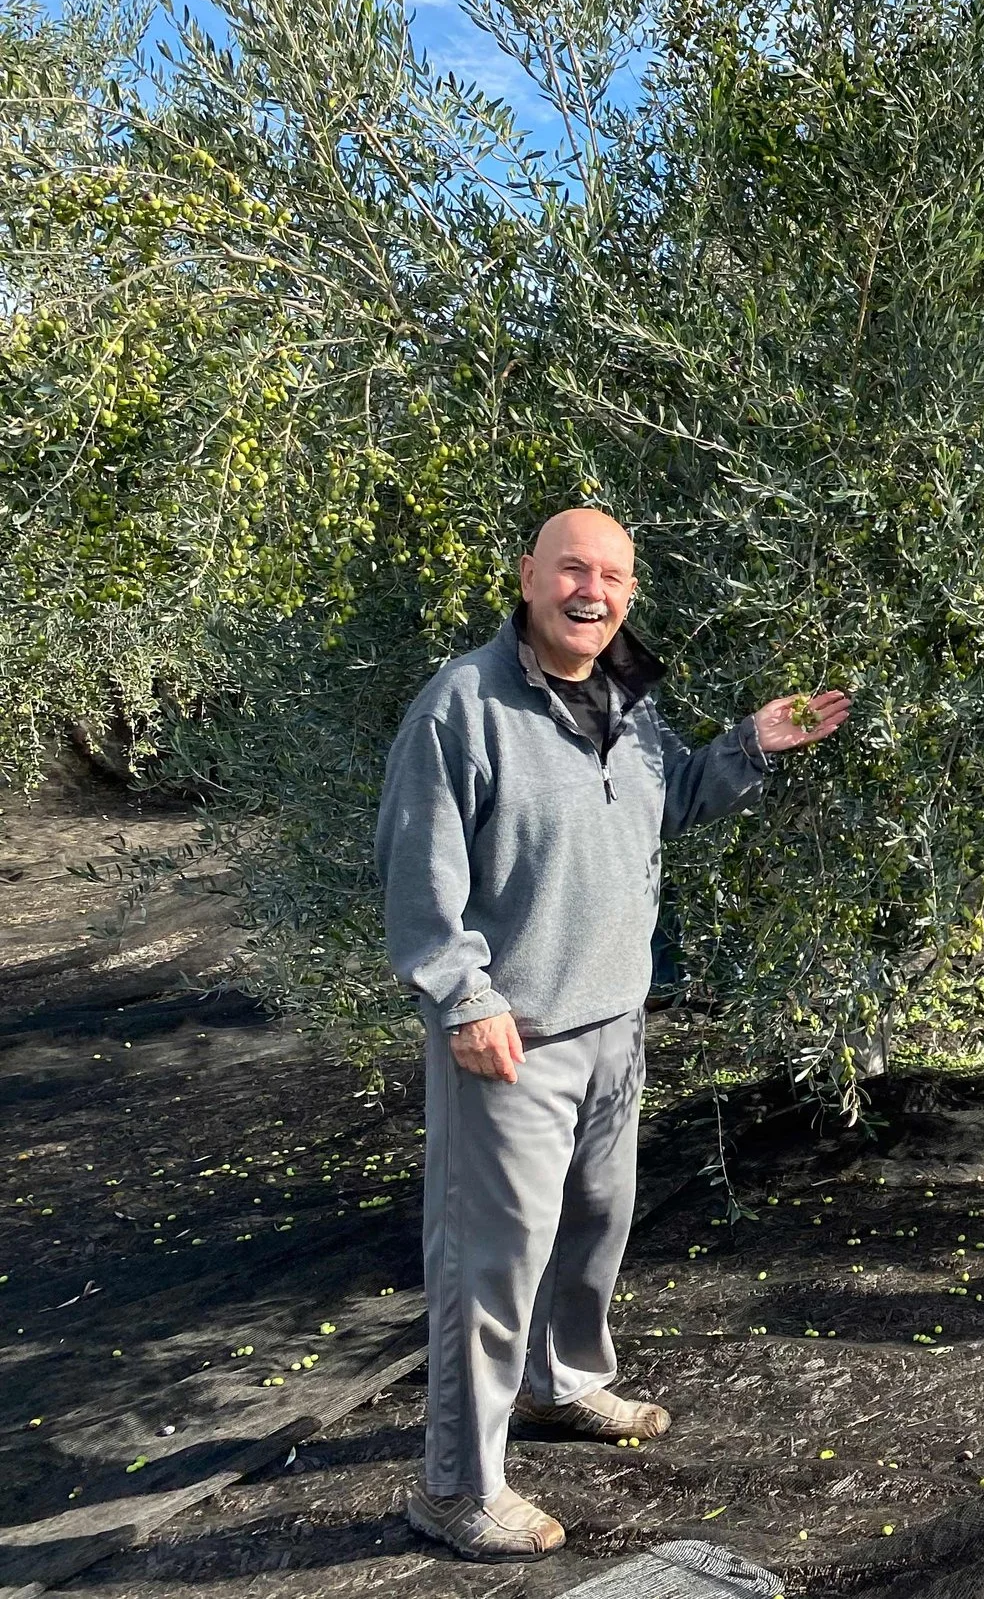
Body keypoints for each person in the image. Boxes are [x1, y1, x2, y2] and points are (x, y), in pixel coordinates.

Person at [376, 508, 850, 1560]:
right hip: (514, 1039)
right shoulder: (467, 704)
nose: (594, 591)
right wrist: (465, 999)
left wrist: (749, 746)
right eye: (573, 570)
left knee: (594, 1224)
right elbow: (417, 869)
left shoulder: (628, 704)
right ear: (528, 578)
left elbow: (665, 803)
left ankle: (563, 1384)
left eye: (615, 576)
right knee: (489, 1266)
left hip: (614, 1025)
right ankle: (456, 1485)